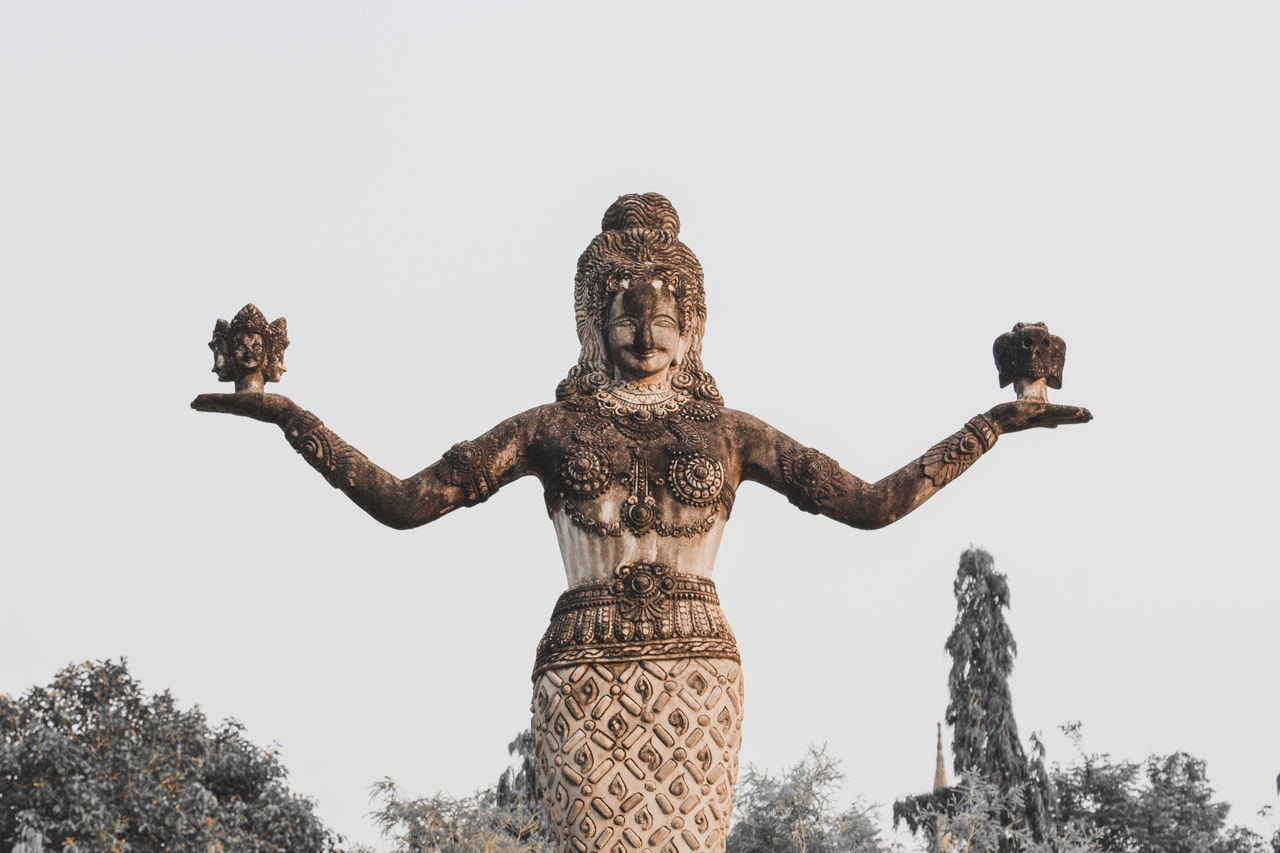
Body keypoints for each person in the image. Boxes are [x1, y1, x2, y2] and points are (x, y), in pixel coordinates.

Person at [192, 193, 1089, 853]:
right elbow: (403, 502)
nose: (647, 333)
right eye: (626, 313)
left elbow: (870, 503)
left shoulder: (730, 433)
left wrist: (994, 423)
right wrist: (286, 415)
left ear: (693, 322)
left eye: (666, 317)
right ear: (593, 317)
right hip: (585, 674)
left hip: (698, 675)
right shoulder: (551, 430)